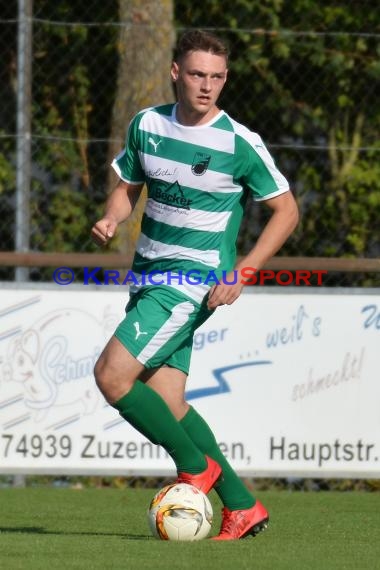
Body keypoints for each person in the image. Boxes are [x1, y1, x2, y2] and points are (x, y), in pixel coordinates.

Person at [91, 29, 299, 540]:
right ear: (176, 72)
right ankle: (242, 504)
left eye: (217, 77)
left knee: (112, 376)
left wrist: (243, 270)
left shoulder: (239, 143)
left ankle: (194, 469)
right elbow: (127, 188)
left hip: (192, 281)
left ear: (225, 79)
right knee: (169, 401)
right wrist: (113, 217)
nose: (207, 86)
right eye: (198, 74)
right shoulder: (148, 125)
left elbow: (286, 211)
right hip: (148, 276)